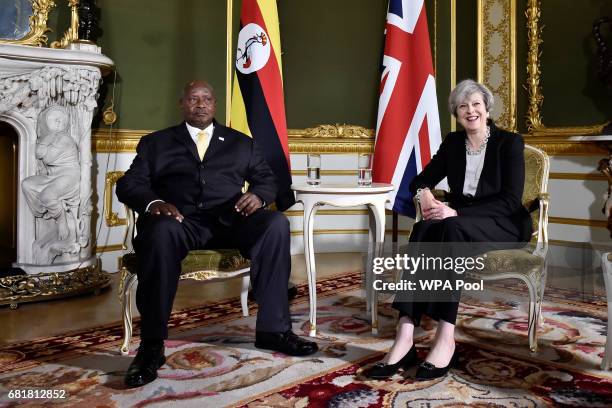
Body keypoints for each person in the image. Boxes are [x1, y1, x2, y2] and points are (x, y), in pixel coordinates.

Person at [116, 80, 318, 388]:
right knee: (159, 232)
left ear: (215, 105)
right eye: (193, 99)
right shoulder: (156, 142)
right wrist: (155, 203)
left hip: (231, 221)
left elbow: (267, 180)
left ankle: (273, 331)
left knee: (275, 224)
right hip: (179, 223)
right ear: (182, 104)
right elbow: (129, 185)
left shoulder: (241, 143)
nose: (200, 104)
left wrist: (259, 197)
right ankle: (152, 346)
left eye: (206, 99)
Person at [364, 79, 532, 381]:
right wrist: (424, 194)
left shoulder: (509, 143)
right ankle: (405, 335)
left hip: (503, 224)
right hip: (461, 222)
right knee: (425, 228)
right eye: (463, 106)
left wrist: (457, 211)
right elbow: (420, 180)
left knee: (449, 226)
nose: (471, 111)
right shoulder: (453, 143)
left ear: (486, 108)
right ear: (456, 112)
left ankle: (446, 337)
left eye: (476, 104)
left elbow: (510, 200)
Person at [22, 105, 80, 263]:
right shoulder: (51, 137)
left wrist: (46, 140)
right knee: (27, 184)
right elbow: (39, 153)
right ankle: (45, 212)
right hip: (53, 176)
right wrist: (47, 139)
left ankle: (61, 220)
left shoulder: (65, 138)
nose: (59, 122)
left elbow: (46, 158)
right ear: (45, 122)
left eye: (61, 119)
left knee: (48, 194)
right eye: (53, 119)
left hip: (69, 175)